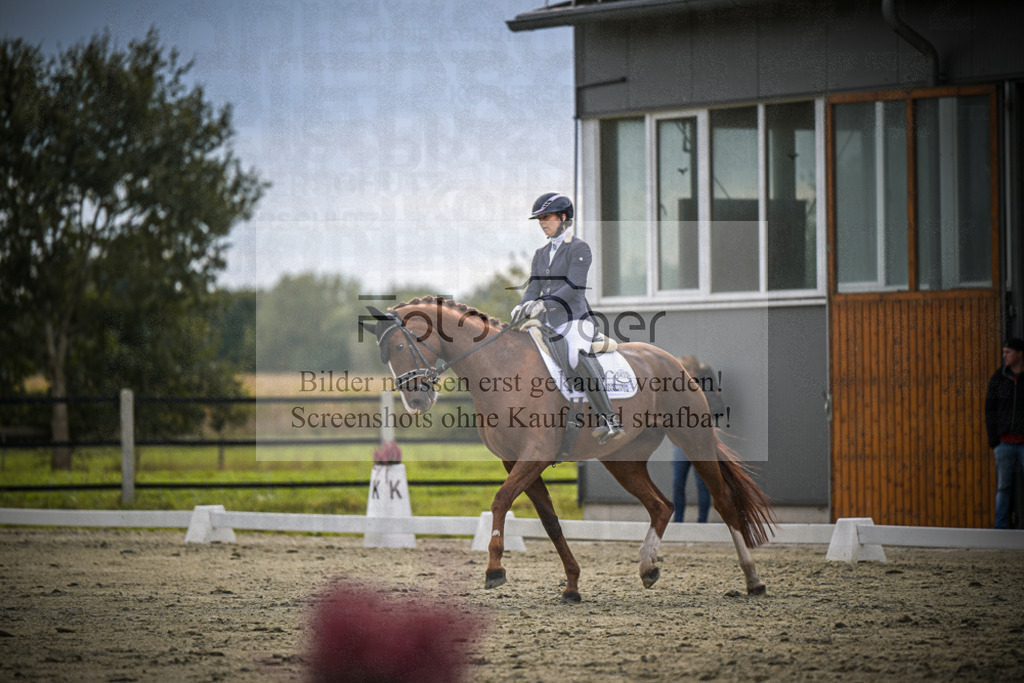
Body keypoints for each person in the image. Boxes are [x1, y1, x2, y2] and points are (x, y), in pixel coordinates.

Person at [511, 192, 625, 444]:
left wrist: (543, 303)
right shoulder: (541, 253)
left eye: (547, 217)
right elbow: (533, 287)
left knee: (575, 356)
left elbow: (575, 285)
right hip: (548, 323)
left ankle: (609, 418)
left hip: (575, 320)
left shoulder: (579, 248)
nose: (542, 223)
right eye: (540, 219)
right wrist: (522, 306)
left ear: (563, 218)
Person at [672, 355, 720, 523]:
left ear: (692, 371)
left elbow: (716, 408)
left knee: (702, 485)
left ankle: (702, 523)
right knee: (677, 483)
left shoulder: (708, 383)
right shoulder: (679, 384)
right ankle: (678, 521)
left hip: (701, 443)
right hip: (682, 442)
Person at [985, 337, 1024, 529]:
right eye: (1003, 352)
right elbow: (989, 409)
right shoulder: (998, 378)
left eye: (1008, 352)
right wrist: (994, 440)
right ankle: (1000, 528)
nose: (1004, 356)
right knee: (1003, 487)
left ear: (1019, 354)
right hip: (1004, 442)